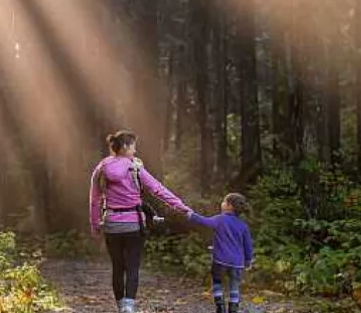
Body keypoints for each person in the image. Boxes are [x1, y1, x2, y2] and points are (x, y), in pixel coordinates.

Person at [90, 130, 192, 313]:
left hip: (112, 224)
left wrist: (95, 224)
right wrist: (181, 206)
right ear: (125, 147)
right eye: (134, 146)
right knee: (133, 266)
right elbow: (158, 190)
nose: (135, 150)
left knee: (117, 267)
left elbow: (94, 200)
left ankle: (121, 305)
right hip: (133, 224)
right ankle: (129, 307)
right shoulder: (135, 168)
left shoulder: (101, 168)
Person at [186, 193, 254, 313]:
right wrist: (248, 261)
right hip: (237, 263)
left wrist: (191, 215)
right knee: (234, 284)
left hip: (220, 260)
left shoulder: (220, 219)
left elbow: (204, 221)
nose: (222, 203)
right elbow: (248, 245)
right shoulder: (243, 225)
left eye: (224, 201)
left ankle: (220, 306)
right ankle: (233, 308)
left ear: (228, 206)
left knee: (217, 280)